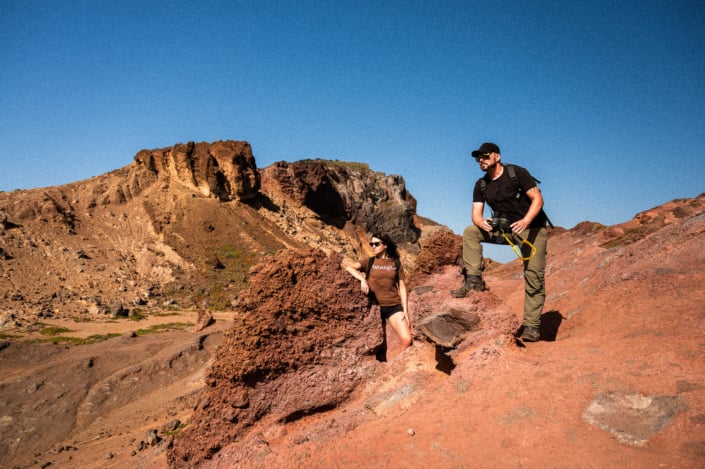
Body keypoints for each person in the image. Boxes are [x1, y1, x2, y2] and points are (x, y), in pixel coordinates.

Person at [451, 142, 548, 343]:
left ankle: (531, 326)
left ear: (497, 156)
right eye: (478, 157)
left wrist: (525, 220)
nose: (481, 160)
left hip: (531, 230)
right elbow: (476, 214)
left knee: (533, 276)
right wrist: (481, 222)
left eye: (485, 156)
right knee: (471, 232)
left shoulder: (517, 173)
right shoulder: (481, 184)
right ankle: (474, 280)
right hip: (506, 231)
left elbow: (538, 200)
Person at [345, 234, 413, 352]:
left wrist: (405, 310)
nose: (373, 246)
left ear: (385, 245)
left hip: (393, 306)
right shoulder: (369, 261)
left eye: (377, 244)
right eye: (372, 244)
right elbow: (349, 268)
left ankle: (397, 366)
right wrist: (362, 280)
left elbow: (402, 287)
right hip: (375, 308)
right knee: (379, 347)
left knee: (407, 340)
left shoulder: (395, 263)